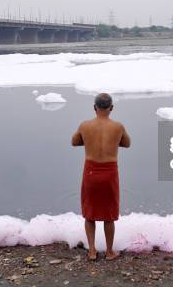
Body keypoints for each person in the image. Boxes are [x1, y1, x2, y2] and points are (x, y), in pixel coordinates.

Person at [71, 93, 131, 261]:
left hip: (90, 171)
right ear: (111, 108)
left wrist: (90, 140)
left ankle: (92, 251)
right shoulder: (118, 127)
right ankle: (110, 251)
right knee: (109, 214)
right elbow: (127, 143)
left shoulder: (85, 125)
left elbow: (74, 141)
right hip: (109, 172)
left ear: (94, 107)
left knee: (89, 213)